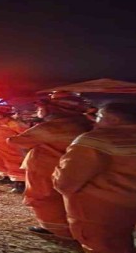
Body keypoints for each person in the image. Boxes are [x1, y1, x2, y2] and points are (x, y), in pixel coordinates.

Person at [53, 103, 136, 253]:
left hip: (111, 200)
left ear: (114, 119)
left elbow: (70, 177)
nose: (95, 121)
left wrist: (61, 185)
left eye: (99, 117)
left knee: (104, 235)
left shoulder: (97, 140)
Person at [7, 92, 93, 238]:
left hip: (47, 168)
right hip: (73, 168)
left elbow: (17, 141)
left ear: (54, 109)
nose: (39, 110)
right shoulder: (84, 123)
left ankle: (56, 229)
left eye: (42, 107)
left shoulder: (51, 127)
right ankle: (74, 228)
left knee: (45, 197)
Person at [0, 105, 29, 193]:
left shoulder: (11, 122)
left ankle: (21, 183)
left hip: (9, 147)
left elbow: (25, 133)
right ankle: (7, 177)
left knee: (14, 163)